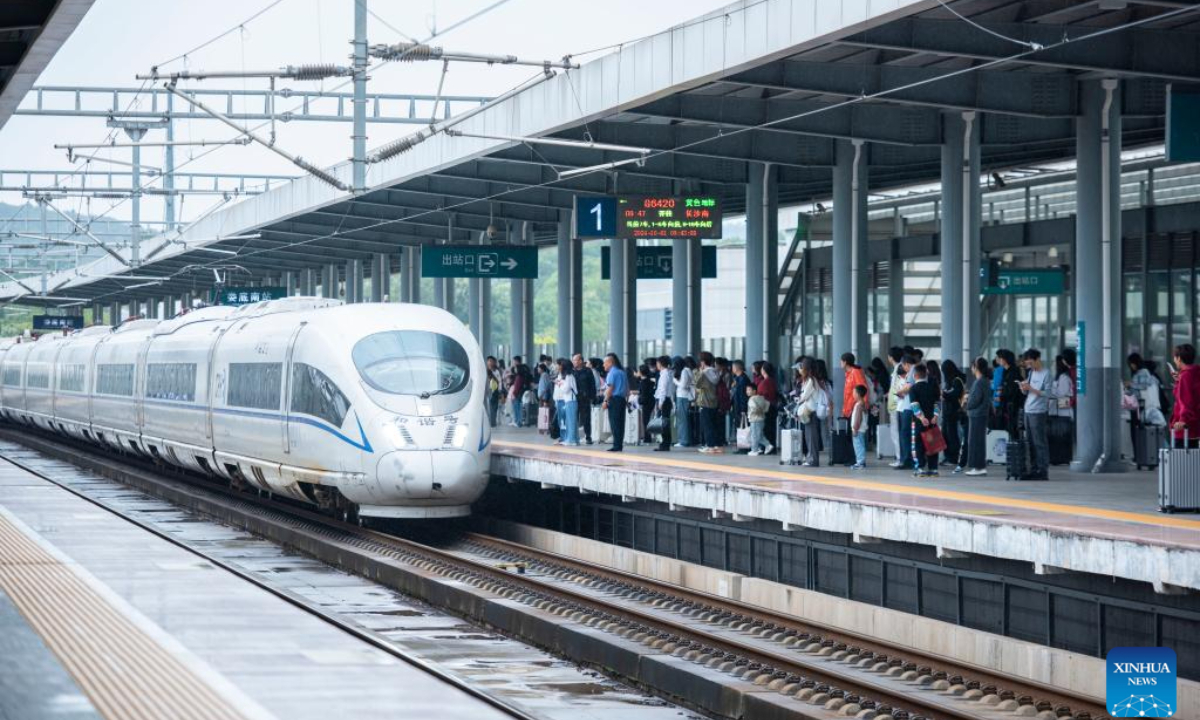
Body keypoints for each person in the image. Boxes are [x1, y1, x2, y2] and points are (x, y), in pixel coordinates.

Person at [1018, 348, 1053, 481]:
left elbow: (1048, 394)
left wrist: (1031, 389)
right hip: (1028, 410)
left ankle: (1042, 470)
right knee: (1031, 443)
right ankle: (1033, 469)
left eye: (1031, 363)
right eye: (1028, 363)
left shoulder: (1046, 373)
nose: (1029, 366)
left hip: (1038, 412)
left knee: (1039, 442)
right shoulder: (1031, 373)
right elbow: (1028, 393)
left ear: (1038, 359)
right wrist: (1023, 388)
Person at [909, 363, 940, 477]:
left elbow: (915, 405)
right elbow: (937, 403)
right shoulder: (932, 387)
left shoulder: (913, 389)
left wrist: (921, 417)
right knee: (932, 444)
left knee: (918, 444)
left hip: (919, 422)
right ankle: (933, 469)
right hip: (932, 420)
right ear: (926, 375)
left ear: (915, 375)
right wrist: (935, 416)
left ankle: (920, 468)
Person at [964, 357, 991, 476]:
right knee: (979, 441)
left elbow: (975, 400)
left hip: (976, 414)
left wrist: (966, 401)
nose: (971, 368)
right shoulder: (985, 380)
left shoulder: (979, 382)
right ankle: (980, 466)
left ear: (976, 367)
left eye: (972, 366)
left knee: (975, 441)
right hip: (981, 414)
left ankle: (977, 467)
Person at [797, 358, 826, 467]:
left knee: (811, 437)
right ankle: (811, 459)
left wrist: (798, 399)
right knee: (809, 436)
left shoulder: (811, 380)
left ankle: (813, 460)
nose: (800, 370)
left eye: (801, 367)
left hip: (811, 411)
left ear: (806, 369)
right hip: (809, 411)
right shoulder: (810, 380)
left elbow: (804, 396)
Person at [1170, 343, 1200, 448]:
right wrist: (1179, 381)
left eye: (1174, 357)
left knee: (1180, 461)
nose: (1174, 360)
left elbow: (1185, 400)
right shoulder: (1195, 373)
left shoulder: (1185, 376)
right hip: (1195, 426)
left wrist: (1183, 420)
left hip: (1184, 429)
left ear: (1179, 358)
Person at [940, 359, 966, 472]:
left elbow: (955, 394)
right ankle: (948, 457)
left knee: (952, 435)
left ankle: (953, 457)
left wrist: (944, 394)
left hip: (953, 412)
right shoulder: (949, 381)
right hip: (947, 412)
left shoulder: (956, 380)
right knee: (945, 434)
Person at [695, 352, 722, 454]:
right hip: (714, 401)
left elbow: (696, 384)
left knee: (707, 425)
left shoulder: (704, 373)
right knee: (714, 425)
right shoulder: (715, 372)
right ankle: (717, 445)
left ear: (702, 362)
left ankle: (710, 446)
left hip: (705, 402)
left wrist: (700, 371)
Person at [893, 354, 916, 470]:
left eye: (903, 365)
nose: (903, 368)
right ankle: (905, 459)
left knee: (905, 434)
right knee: (904, 434)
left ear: (906, 364)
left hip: (908, 407)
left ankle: (907, 460)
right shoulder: (912, 372)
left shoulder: (912, 371)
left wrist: (899, 392)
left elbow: (908, 387)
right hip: (906, 406)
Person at [601, 353, 628, 452]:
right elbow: (627, 388)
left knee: (614, 423)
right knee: (621, 423)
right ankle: (619, 444)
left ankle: (616, 445)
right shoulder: (622, 372)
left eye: (605, 363)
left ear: (610, 362)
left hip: (614, 399)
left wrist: (605, 401)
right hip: (622, 400)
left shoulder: (612, 373)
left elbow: (610, 388)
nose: (603, 365)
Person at [995, 349, 1022, 438]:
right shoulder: (1005, 371)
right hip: (1006, 407)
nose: (999, 360)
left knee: (1012, 431)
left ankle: (1014, 450)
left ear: (1005, 359)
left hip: (1011, 407)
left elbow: (1012, 391)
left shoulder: (1013, 372)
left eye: (1000, 358)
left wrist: (1001, 396)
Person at [552, 358, 579, 445]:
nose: (558, 366)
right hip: (569, 400)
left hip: (570, 400)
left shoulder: (568, 376)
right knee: (569, 420)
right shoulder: (567, 376)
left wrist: (559, 383)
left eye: (559, 365)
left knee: (570, 421)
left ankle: (571, 440)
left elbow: (566, 389)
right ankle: (573, 439)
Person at [885, 347, 904, 466]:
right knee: (897, 432)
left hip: (896, 406)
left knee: (896, 433)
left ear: (891, 357)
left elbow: (898, 388)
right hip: (896, 405)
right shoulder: (898, 368)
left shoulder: (899, 369)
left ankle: (900, 458)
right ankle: (900, 457)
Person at [572, 354, 596, 445]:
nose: (574, 362)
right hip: (574, 398)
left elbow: (592, 385)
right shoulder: (572, 371)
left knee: (586, 418)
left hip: (585, 399)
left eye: (575, 360)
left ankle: (588, 436)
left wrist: (592, 397)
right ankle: (574, 436)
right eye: (573, 360)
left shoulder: (587, 371)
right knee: (574, 417)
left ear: (581, 361)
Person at [653, 356, 675, 451]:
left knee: (664, 423)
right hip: (667, 399)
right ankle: (665, 443)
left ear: (661, 364)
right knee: (665, 422)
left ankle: (665, 444)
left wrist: (661, 402)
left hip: (664, 400)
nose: (657, 365)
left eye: (657, 363)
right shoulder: (669, 373)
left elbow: (663, 389)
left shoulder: (665, 374)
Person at [673, 356, 695, 448]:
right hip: (683, 397)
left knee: (683, 420)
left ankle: (683, 441)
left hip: (683, 397)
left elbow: (683, 385)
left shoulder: (684, 371)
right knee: (684, 420)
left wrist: (675, 381)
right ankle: (685, 439)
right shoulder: (686, 370)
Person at [746, 383, 771, 456]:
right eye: (747, 390)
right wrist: (762, 411)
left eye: (749, 390)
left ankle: (755, 450)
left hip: (754, 419)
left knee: (754, 435)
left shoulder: (751, 399)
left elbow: (754, 408)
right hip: (761, 419)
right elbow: (767, 405)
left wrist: (753, 413)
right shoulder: (761, 398)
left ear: (754, 391)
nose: (747, 391)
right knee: (758, 435)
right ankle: (760, 447)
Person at [840, 353, 867, 420]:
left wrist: (864, 405)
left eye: (841, 361)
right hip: (850, 409)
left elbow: (863, 389)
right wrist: (845, 410)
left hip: (856, 407)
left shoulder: (855, 372)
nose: (840, 363)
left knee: (856, 429)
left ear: (845, 362)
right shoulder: (848, 373)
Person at [850, 384, 869, 470]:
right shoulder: (862, 404)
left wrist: (855, 428)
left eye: (854, 392)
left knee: (858, 446)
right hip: (861, 430)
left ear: (858, 394)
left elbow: (858, 418)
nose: (853, 394)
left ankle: (860, 462)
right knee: (861, 445)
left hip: (858, 430)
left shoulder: (859, 405)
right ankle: (861, 462)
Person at [636, 363, 656, 444]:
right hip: (651, 401)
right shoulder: (650, 381)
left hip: (646, 403)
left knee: (645, 421)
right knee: (647, 420)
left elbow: (643, 394)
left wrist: (640, 401)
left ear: (641, 372)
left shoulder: (643, 382)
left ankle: (647, 438)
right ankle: (648, 437)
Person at [485, 356, 503, 428]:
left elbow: (500, 381)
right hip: (487, 390)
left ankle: (493, 421)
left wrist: (500, 391)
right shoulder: (485, 370)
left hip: (495, 390)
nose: (489, 362)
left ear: (494, 362)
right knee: (489, 406)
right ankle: (490, 421)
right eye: (488, 361)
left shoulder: (496, 371)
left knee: (494, 407)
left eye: (491, 361)